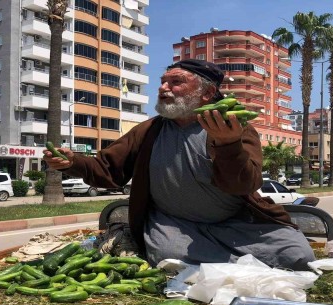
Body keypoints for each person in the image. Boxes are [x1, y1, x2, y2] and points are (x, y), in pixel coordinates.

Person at [43, 59, 315, 270]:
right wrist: (73, 163)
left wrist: (228, 144)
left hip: (236, 224)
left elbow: (244, 184)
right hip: (174, 226)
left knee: (297, 254)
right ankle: (236, 267)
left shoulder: (235, 128)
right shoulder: (148, 131)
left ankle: (220, 264)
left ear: (206, 93)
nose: (163, 88)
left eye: (176, 82)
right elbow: (107, 170)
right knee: (169, 258)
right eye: (163, 82)